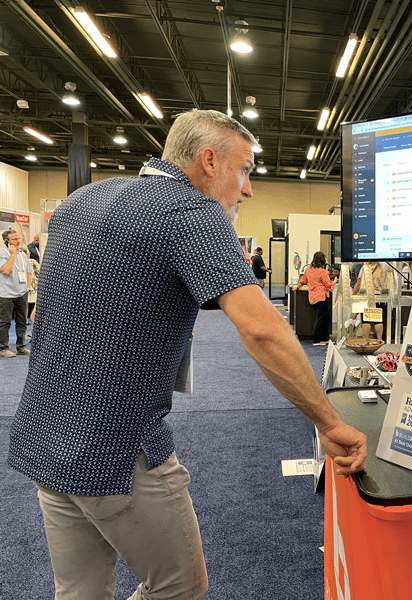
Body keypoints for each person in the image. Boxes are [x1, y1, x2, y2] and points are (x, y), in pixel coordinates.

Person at [7, 109, 367, 600]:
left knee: (77, 590)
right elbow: (261, 329)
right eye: (244, 171)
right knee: (180, 585)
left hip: (41, 433)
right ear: (210, 160)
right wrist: (329, 422)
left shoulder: (83, 199)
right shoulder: (189, 212)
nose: (248, 189)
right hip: (116, 448)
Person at [293, 251, 337, 346]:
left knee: (325, 317)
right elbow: (328, 284)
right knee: (321, 319)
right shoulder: (322, 271)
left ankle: (324, 338)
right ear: (323, 260)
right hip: (321, 296)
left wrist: (297, 286)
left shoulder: (308, 269)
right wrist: (335, 281)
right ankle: (317, 340)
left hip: (313, 297)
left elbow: (303, 280)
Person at [0, 229, 32, 358]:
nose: (18, 241)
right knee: (5, 322)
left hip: (22, 293)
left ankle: (21, 347)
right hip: (6, 294)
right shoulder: (3, 254)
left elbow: (28, 272)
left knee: (21, 321)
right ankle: (3, 348)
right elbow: (6, 270)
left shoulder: (22, 254)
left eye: (18, 238)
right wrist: (12, 254)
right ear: (7, 241)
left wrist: (27, 288)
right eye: (14, 239)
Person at [352, 260, 386, 341]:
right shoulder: (381, 268)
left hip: (366, 296)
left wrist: (353, 294)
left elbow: (358, 283)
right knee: (377, 319)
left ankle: (366, 339)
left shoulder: (364, 268)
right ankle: (379, 339)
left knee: (365, 319)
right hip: (378, 296)